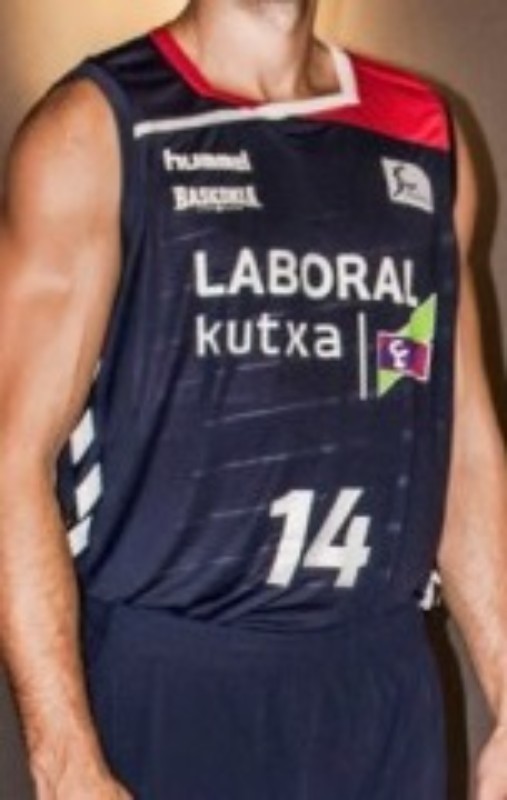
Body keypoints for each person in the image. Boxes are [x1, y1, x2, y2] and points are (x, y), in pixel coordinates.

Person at [0, 0, 506, 798]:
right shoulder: (95, 129)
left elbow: (462, 444)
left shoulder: (422, 132)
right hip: (176, 686)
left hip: (378, 687)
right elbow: (10, 458)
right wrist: (65, 763)